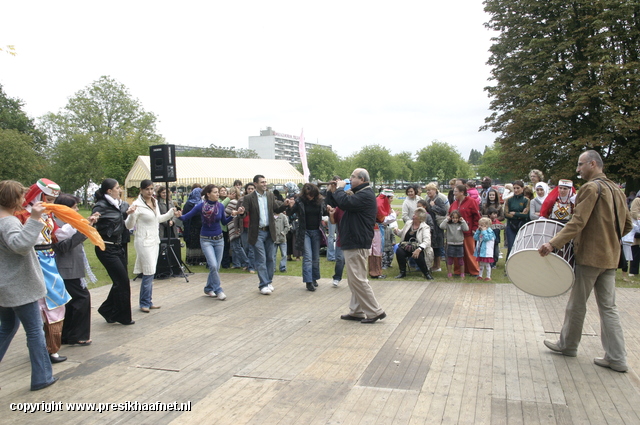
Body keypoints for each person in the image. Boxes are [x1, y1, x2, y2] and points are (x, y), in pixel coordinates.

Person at [539, 150, 632, 372]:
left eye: (580, 165)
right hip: (610, 256)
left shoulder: (591, 188)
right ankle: (617, 358)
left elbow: (577, 221)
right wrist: (609, 238)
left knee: (577, 304)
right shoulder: (616, 189)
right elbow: (627, 224)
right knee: (609, 307)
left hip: (590, 256)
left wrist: (553, 243)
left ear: (593, 164)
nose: (578, 169)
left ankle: (568, 345)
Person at [0, 180, 58, 391]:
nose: (24, 200)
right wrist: (34, 220)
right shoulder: (8, 222)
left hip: (5, 286)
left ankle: (42, 375)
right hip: (19, 287)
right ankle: (42, 376)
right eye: (21, 196)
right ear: (13, 199)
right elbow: (21, 246)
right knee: (34, 331)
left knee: (7, 327)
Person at [19, 178, 72, 363]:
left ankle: (50, 348)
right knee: (39, 306)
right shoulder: (21, 215)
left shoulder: (47, 215)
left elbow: (57, 235)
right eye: (47, 198)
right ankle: (43, 349)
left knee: (55, 302)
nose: (50, 203)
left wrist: (78, 224)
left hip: (49, 261)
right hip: (33, 261)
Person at [327, 169, 386, 323]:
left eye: (352, 177)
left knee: (358, 279)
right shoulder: (360, 193)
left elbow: (345, 202)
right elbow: (340, 202)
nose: (349, 179)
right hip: (354, 240)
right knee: (354, 278)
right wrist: (334, 191)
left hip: (357, 241)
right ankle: (356, 311)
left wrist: (340, 189)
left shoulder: (365, 194)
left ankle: (375, 311)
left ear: (361, 179)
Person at [180, 184, 242, 300]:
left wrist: (234, 215)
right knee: (213, 265)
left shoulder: (220, 206)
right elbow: (185, 217)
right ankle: (218, 289)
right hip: (206, 239)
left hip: (219, 239)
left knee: (216, 267)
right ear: (208, 194)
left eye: (218, 192)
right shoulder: (200, 206)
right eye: (215, 192)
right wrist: (178, 215)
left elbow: (224, 222)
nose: (217, 194)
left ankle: (208, 288)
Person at [53, 194, 99, 346]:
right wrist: (84, 231)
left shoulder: (67, 221)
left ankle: (68, 335)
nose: (77, 210)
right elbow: (63, 247)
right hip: (66, 268)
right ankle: (77, 335)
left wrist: (88, 224)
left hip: (72, 267)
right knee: (81, 298)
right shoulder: (56, 225)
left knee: (73, 301)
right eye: (74, 207)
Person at [125, 180, 177, 312]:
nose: (150, 192)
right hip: (143, 241)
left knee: (151, 271)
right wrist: (131, 215)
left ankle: (148, 300)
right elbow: (129, 225)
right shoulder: (137, 205)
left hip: (154, 240)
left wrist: (171, 213)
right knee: (148, 271)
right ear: (141, 190)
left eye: (151, 189)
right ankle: (144, 302)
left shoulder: (154, 202)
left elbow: (157, 219)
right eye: (147, 189)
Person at [93, 178, 137, 325]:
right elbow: (101, 222)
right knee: (122, 281)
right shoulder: (101, 205)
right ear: (109, 191)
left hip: (118, 246)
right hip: (106, 247)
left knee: (121, 281)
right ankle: (122, 316)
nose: (120, 190)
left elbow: (117, 221)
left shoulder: (118, 205)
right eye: (117, 188)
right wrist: (95, 218)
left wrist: (126, 213)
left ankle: (107, 309)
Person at [239, 175, 291, 294]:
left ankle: (268, 281)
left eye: (265, 182)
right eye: (262, 182)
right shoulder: (249, 198)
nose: (264, 184)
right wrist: (241, 213)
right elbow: (244, 213)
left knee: (270, 258)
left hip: (270, 231)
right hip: (257, 232)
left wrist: (285, 205)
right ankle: (263, 285)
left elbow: (276, 210)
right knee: (261, 259)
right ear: (255, 184)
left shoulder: (270, 195)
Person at [287, 183, 323, 291]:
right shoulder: (300, 201)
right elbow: (290, 213)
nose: (310, 197)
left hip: (316, 230)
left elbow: (324, 211)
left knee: (315, 257)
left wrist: (330, 209)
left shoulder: (320, 202)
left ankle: (314, 278)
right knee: (308, 256)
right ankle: (308, 281)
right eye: (308, 194)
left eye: (311, 194)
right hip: (305, 231)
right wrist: (288, 205)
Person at [394, 207, 434, 280]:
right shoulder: (408, 223)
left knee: (417, 254)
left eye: (415, 215)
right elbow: (402, 234)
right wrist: (396, 231)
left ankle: (426, 273)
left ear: (420, 218)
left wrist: (419, 249)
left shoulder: (425, 227)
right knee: (399, 251)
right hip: (406, 246)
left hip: (419, 247)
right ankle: (402, 272)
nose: (413, 216)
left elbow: (427, 241)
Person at [449, 184, 480, 276]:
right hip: (455, 232)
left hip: (468, 231)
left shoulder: (471, 201)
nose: (454, 193)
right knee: (456, 252)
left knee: (470, 251)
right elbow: (450, 214)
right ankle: (458, 271)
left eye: (456, 191)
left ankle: (474, 271)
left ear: (462, 192)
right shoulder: (454, 203)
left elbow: (476, 216)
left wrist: (474, 228)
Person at [424, 183, 448, 272]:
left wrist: (434, 206)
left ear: (435, 190)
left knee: (437, 246)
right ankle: (433, 265)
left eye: (430, 190)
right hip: (431, 225)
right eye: (427, 190)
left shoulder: (438, 199)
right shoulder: (428, 199)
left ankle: (437, 266)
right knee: (433, 246)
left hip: (437, 226)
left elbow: (443, 212)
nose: (428, 192)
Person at [504, 180, 529, 260]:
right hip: (511, 226)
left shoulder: (526, 200)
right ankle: (508, 266)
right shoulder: (509, 200)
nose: (516, 190)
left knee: (521, 247)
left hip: (522, 225)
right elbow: (506, 214)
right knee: (511, 246)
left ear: (522, 188)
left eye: (518, 188)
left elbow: (526, 215)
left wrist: (515, 213)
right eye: (514, 188)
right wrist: (519, 214)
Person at [440, 210, 469, 278]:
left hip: (459, 244)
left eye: (456, 218)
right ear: (451, 218)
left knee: (460, 260)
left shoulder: (461, 224)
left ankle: (462, 274)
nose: (455, 219)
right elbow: (441, 226)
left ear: (459, 218)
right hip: (450, 244)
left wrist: (463, 221)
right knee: (450, 260)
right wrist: (446, 220)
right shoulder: (448, 224)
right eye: (453, 218)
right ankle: (449, 273)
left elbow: (466, 229)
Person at [182, 186, 206, 266]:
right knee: (193, 244)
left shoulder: (202, 203)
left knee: (199, 244)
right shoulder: (189, 204)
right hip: (192, 227)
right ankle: (192, 260)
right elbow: (186, 217)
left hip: (200, 227)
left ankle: (200, 260)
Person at [327, 205, 346, 287]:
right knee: (340, 259)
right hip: (341, 238)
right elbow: (333, 222)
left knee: (353, 261)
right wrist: (331, 215)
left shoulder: (354, 207)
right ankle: (337, 277)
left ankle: (356, 280)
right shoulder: (339, 209)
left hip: (353, 239)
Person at [474, 217, 496, 281]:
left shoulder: (490, 232)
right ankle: (480, 275)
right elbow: (475, 237)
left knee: (487, 264)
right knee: (481, 264)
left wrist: (484, 231)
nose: (480, 226)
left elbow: (487, 238)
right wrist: (478, 231)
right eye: (479, 225)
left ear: (486, 226)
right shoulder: (480, 231)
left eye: (481, 225)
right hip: (481, 251)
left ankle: (488, 276)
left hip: (487, 251)